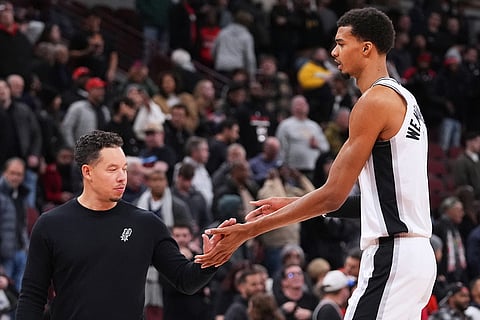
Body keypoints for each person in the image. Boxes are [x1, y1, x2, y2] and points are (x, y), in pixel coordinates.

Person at [196, 7, 436, 320]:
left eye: (341, 43)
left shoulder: (373, 103)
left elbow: (332, 194)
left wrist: (249, 230)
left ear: (366, 48)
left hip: (395, 255)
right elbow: (373, 203)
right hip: (415, 256)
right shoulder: (405, 99)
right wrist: (292, 203)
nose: (333, 51)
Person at [15, 130, 230, 319]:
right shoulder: (51, 224)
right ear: (87, 172)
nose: (122, 178)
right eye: (112, 169)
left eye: (124, 169)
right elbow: (33, 295)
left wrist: (211, 260)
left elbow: (185, 280)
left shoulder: (146, 224)